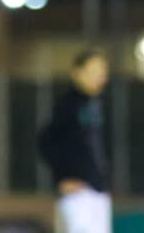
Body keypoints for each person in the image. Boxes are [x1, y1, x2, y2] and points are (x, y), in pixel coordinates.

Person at [38, 49, 112, 233]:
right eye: (94, 71)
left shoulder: (96, 104)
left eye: (102, 71)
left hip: (97, 189)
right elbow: (46, 142)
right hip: (79, 192)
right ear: (77, 73)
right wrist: (64, 177)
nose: (101, 77)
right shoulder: (68, 105)